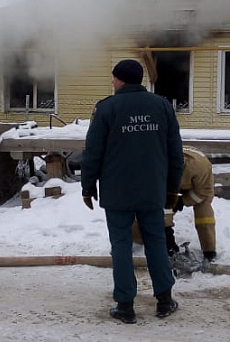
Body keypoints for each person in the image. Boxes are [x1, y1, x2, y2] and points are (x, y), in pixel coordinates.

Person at [81, 59, 184, 324]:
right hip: (152, 189)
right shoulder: (162, 106)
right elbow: (175, 153)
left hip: (117, 191)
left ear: (121, 79)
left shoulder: (107, 108)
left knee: (121, 245)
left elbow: (93, 151)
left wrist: (87, 185)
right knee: (156, 242)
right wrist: (172, 188)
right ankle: (164, 300)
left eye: (114, 77)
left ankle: (125, 305)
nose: (112, 82)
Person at [134, 146, 218, 261]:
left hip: (197, 186)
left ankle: (209, 251)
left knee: (204, 212)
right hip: (167, 188)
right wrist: (167, 235)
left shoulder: (201, 167)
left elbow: (204, 192)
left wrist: (182, 201)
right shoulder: (156, 168)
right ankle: (142, 240)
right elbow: (160, 202)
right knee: (155, 210)